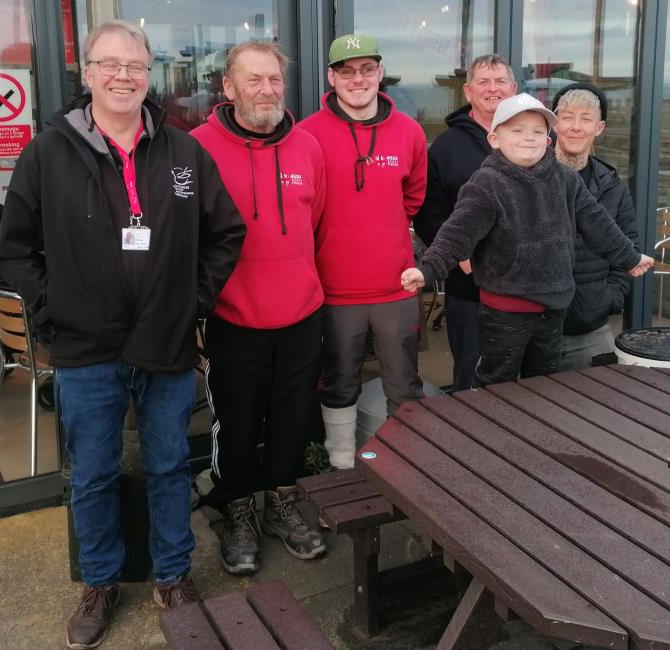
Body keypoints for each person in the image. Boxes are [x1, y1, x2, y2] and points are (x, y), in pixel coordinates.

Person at [0, 20, 246, 650]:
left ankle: (174, 573)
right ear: (89, 74)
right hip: (85, 348)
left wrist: (193, 301)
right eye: (111, 64)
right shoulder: (48, 152)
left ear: (148, 72)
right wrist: (53, 313)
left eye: (135, 65)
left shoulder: (184, 153)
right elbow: (14, 250)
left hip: (166, 341)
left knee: (166, 464)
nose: (124, 76)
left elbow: (225, 233)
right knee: (94, 473)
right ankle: (100, 581)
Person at [401, 93, 653, 387]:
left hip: (554, 310)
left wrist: (630, 257)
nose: (528, 138)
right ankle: (493, 433)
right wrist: (428, 269)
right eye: (517, 130)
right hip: (505, 311)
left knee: (542, 387)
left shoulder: (565, 180)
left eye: (537, 131)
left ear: (548, 139)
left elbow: (598, 223)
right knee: (497, 386)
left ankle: (533, 433)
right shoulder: (487, 183)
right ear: (495, 139)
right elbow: (457, 233)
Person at [190, 41, 327, 576]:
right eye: (253, 80)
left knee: (293, 417)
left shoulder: (308, 147)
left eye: (274, 79)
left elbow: (315, 220)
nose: (267, 89)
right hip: (232, 316)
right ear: (228, 88)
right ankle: (238, 506)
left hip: (300, 311)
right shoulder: (197, 148)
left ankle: (282, 501)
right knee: (237, 423)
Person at [299, 34, 427, 470]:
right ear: (331, 77)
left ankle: (405, 469)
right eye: (347, 71)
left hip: (395, 285)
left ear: (380, 73)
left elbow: (412, 198)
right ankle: (340, 465)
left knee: (404, 383)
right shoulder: (307, 134)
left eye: (367, 69)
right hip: (332, 288)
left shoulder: (409, 132)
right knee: (338, 383)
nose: (358, 79)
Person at [413, 54, 517, 391]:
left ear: (513, 89)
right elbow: (429, 214)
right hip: (470, 290)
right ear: (468, 92)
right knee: (471, 382)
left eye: (500, 81)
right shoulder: (446, 146)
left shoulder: (534, 138)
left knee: (526, 385)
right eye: (484, 82)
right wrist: (461, 257)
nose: (493, 89)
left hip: (527, 290)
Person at [551, 83, 640, 370]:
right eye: (567, 117)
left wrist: (608, 299)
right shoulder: (527, 178)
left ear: (599, 128)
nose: (576, 127)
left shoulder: (613, 187)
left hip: (592, 334)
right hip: (532, 332)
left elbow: (630, 249)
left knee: (599, 412)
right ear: (554, 122)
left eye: (586, 118)